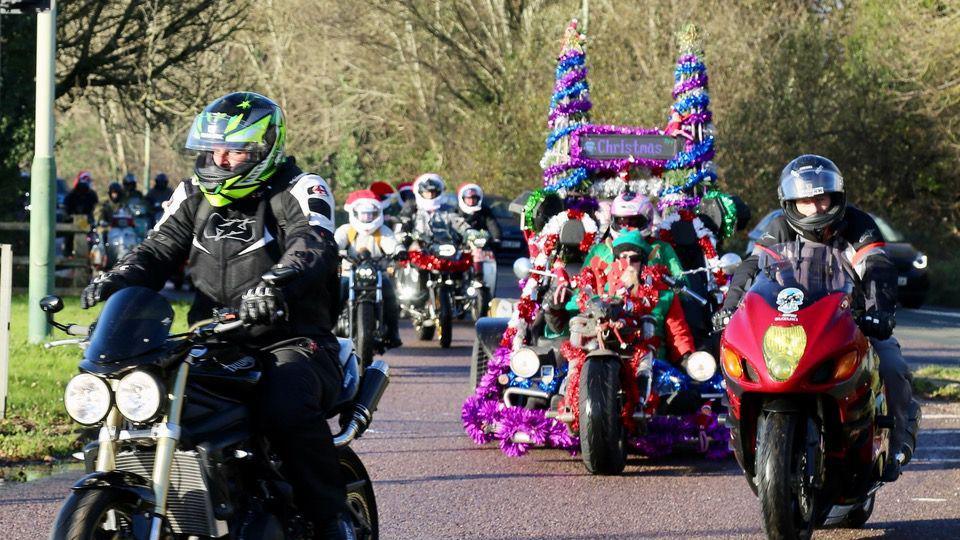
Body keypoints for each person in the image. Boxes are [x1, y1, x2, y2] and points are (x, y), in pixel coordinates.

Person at [79, 92, 354, 538]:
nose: (220, 160)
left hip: (289, 338)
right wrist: (118, 279)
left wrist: (276, 283)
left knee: (284, 404)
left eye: (235, 151)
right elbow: (157, 249)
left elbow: (313, 243)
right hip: (210, 338)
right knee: (137, 396)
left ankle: (331, 519)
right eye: (213, 150)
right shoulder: (191, 194)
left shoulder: (299, 188)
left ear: (265, 149)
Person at [714, 154, 919, 482]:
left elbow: (878, 267)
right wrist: (731, 307)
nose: (816, 208)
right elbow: (752, 269)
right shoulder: (779, 227)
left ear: (835, 198)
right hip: (794, 322)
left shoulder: (858, 225)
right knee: (739, 355)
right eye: (806, 201)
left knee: (892, 366)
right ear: (791, 202)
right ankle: (742, 429)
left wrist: (879, 311)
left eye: (821, 199)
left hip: (851, 319)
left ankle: (898, 441)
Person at [545, 230, 696, 362]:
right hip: (598, 362)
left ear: (643, 263)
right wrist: (554, 310)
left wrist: (687, 358)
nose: (628, 263)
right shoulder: (595, 294)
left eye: (634, 258)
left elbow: (678, 335)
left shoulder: (663, 295)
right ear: (615, 261)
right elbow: (568, 323)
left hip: (649, 363)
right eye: (623, 257)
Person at [335, 189, 404, 349]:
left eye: (370, 214)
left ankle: (393, 333)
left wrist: (398, 250)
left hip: (378, 273)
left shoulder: (383, 231)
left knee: (391, 299)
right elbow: (336, 241)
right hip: (349, 273)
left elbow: (392, 243)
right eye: (363, 214)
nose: (367, 218)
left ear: (377, 213)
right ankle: (328, 331)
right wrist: (332, 250)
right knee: (335, 297)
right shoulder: (347, 230)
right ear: (355, 213)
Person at [456, 183, 501, 248]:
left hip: (481, 244)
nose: (471, 201)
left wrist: (496, 238)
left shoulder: (484, 211)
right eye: (468, 198)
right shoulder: (456, 211)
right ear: (463, 199)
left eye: (474, 198)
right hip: (461, 245)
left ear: (478, 199)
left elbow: (492, 225)